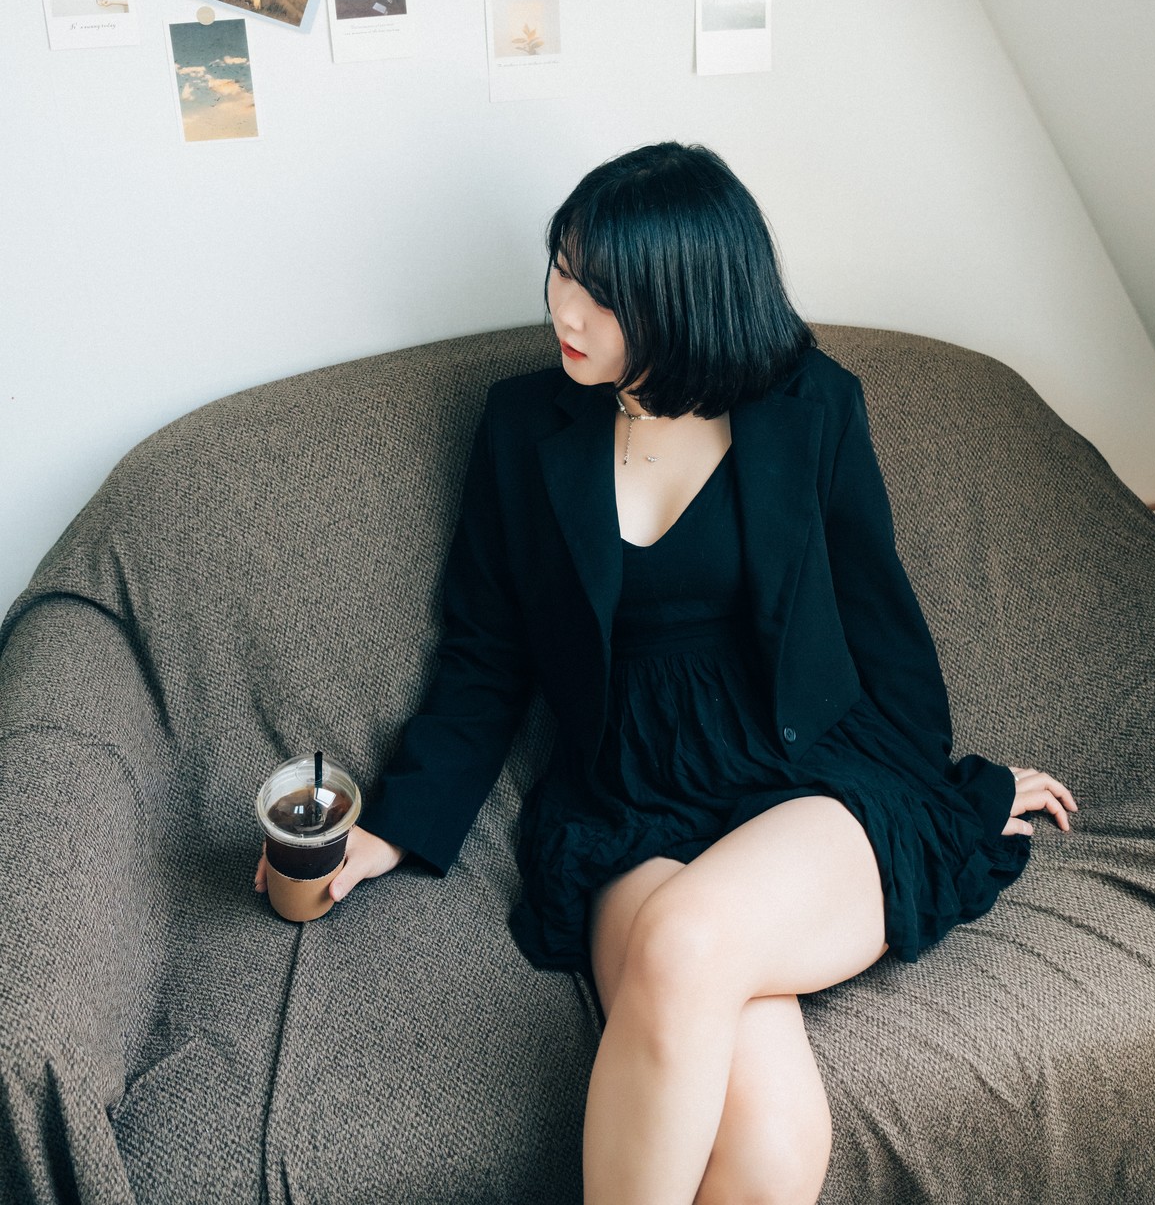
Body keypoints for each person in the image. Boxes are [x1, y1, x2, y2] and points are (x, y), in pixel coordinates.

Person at [254, 141, 1078, 1204]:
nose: (564, 309)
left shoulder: (811, 406)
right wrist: (394, 828)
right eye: (561, 270)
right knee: (770, 1141)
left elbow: (882, 621)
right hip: (629, 796)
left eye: (601, 293)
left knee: (688, 939)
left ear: (686, 296)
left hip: (810, 775)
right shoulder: (525, 426)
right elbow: (486, 653)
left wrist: (945, 796)